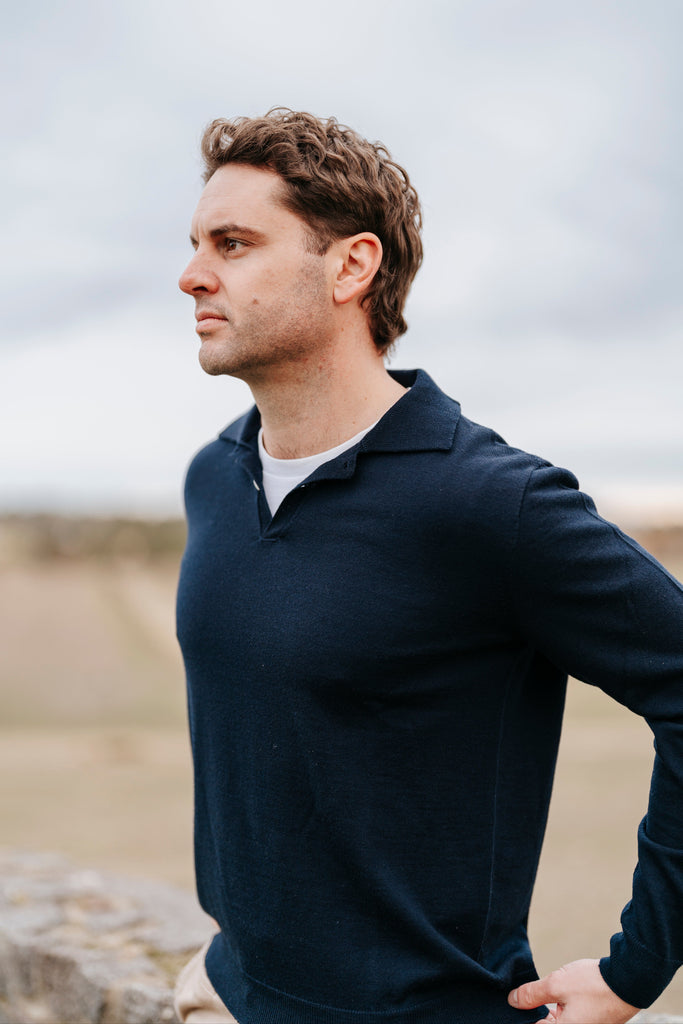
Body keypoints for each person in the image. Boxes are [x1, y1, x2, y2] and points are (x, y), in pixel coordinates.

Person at [174, 108, 683, 1024]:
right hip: (232, 1000)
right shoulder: (215, 475)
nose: (192, 274)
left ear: (351, 266)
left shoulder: (493, 504)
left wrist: (635, 964)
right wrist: (228, 963)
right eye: (197, 243)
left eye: (235, 243)